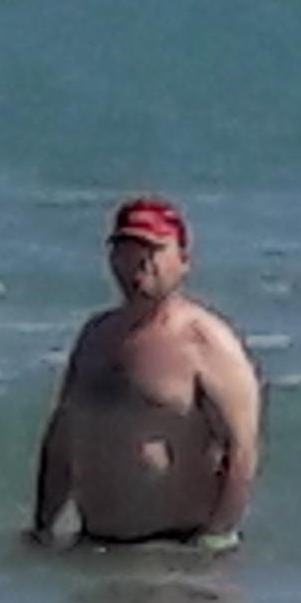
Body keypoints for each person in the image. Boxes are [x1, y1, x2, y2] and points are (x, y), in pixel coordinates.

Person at [29, 195, 264, 550]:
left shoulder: (207, 342)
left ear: (183, 260)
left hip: (172, 550)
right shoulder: (95, 336)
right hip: (94, 547)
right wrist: (43, 527)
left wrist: (215, 540)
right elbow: (63, 437)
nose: (138, 263)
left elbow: (242, 450)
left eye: (153, 250)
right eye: (126, 250)